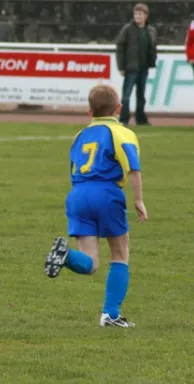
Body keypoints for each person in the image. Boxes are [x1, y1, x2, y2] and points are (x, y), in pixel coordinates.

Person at [44, 84, 149, 328]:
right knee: (120, 254)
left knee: (90, 263)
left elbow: (72, 169)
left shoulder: (79, 135)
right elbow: (133, 168)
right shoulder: (122, 133)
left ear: (89, 112)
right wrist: (138, 200)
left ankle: (66, 255)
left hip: (78, 194)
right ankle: (110, 315)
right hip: (106, 193)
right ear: (119, 109)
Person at [115, 3, 158, 126]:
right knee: (126, 96)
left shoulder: (150, 30)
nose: (137, 16)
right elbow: (120, 48)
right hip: (131, 67)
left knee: (141, 95)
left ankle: (141, 118)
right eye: (136, 14)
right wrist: (121, 67)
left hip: (144, 67)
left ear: (146, 16)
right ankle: (124, 119)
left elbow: (153, 47)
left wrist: (152, 61)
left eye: (140, 14)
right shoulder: (127, 29)